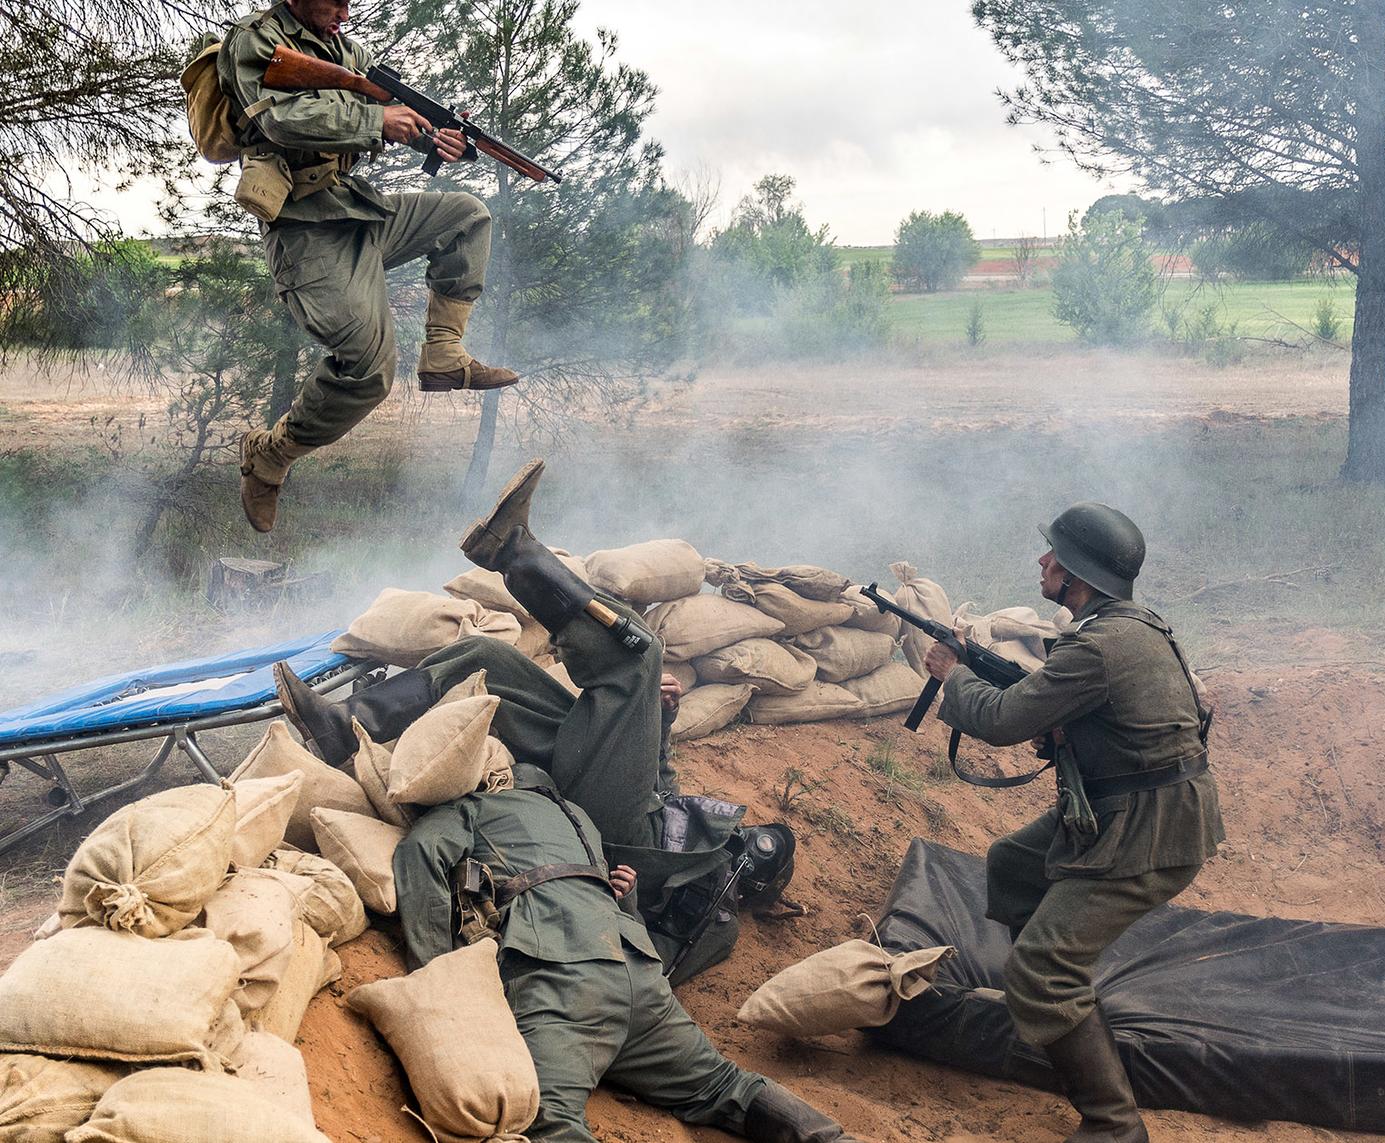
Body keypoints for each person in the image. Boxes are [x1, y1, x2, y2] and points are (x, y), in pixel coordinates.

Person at [370, 459, 859, 1143]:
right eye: (760, 840)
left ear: (761, 888)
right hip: (586, 826)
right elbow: (662, 786)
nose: (750, 849)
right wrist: (655, 725)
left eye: (762, 859)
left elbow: (661, 956)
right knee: (491, 659)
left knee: (639, 656)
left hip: (602, 855)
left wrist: (619, 895)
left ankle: (512, 551)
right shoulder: (705, 831)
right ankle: (358, 717)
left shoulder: (715, 919)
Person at [921, 502, 1223, 1143]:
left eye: (1052, 555)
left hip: (1146, 830)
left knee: (1038, 969)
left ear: (1077, 574)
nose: (1042, 561)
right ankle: (1054, 1009)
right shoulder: (1136, 625)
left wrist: (954, 676)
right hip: (1129, 811)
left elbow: (1002, 721)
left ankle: (1113, 1124)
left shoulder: (1098, 647)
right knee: (1012, 865)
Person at [218, 0, 520, 534]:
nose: (344, 13)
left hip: (358, 210)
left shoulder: (350, 54)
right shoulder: (255, 41)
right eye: (333, 3)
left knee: (467, 216)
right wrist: (377, 117)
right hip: (304, 230)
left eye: (349, 3)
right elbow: (281, 120)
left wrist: (437, 138)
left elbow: (376, 129)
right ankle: (269, 456)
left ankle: (444, 355)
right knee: (368, 369)